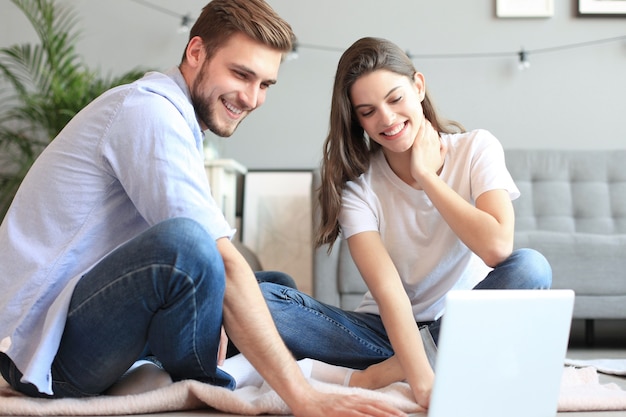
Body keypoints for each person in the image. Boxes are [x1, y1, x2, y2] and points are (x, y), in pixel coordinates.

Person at [0, 2, 408, 415]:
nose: (251, 98)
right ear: (196, 52)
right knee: (190, 246)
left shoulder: (178, 119)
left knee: (271, 287)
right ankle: (209, 384)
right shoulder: (149, 113)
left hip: (88, 323)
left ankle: (167, 368)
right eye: (241, 74)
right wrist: (303, 399)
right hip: (44, 353)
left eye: (265, 84)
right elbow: (212, 257)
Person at [260, 36, 552, 410]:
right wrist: (422, 381)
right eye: (367, 111)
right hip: (384, 333)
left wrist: (427, 178)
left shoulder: (477, 148)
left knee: (531, 267)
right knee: (262, 299)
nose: (386, 119)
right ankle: (431, 359)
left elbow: (497, 248)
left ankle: (384, 372)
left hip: (463, 321)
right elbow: (389, 292)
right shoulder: (359, 187)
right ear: (356, 118)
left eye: (395, 99)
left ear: (418, 86)